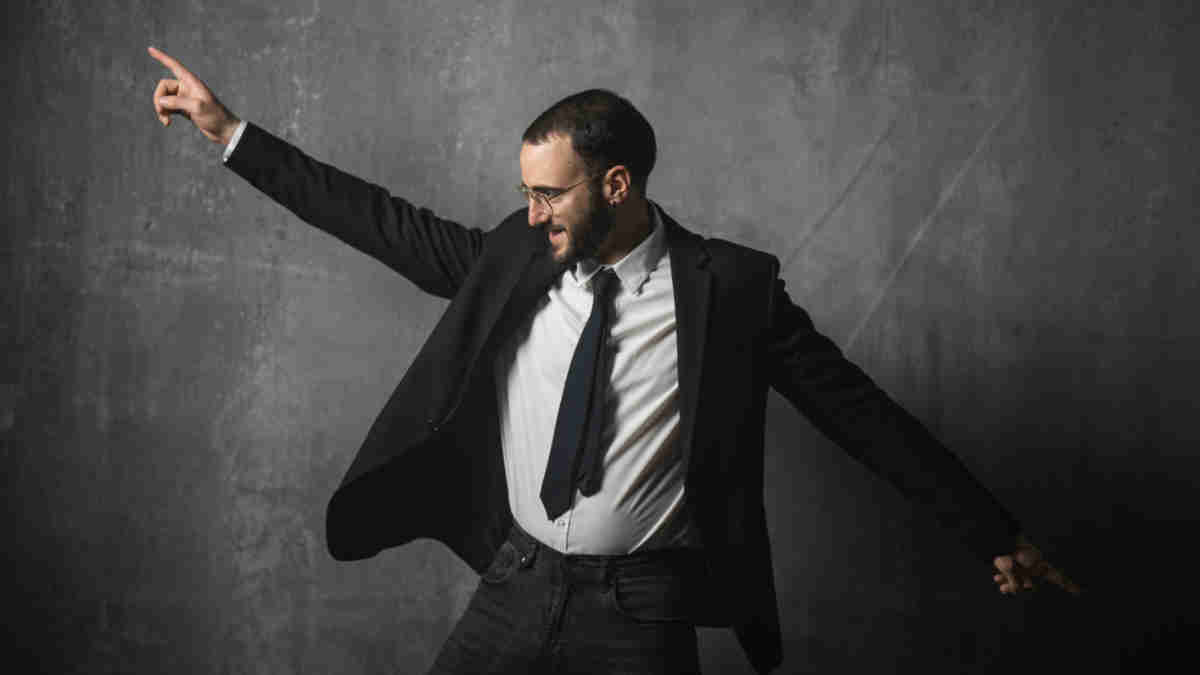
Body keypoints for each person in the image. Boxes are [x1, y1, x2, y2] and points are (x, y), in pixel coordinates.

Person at [148, 46, 1081, 674]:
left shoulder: (735, 292)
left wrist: (992, 529)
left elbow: (862, 413)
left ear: (617, 184)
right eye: (524, 193)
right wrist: (229, 132)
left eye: (549, 194)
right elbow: (371, 216)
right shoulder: (515, 256)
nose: (532, 212)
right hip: (512, 585)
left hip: (642, 612)